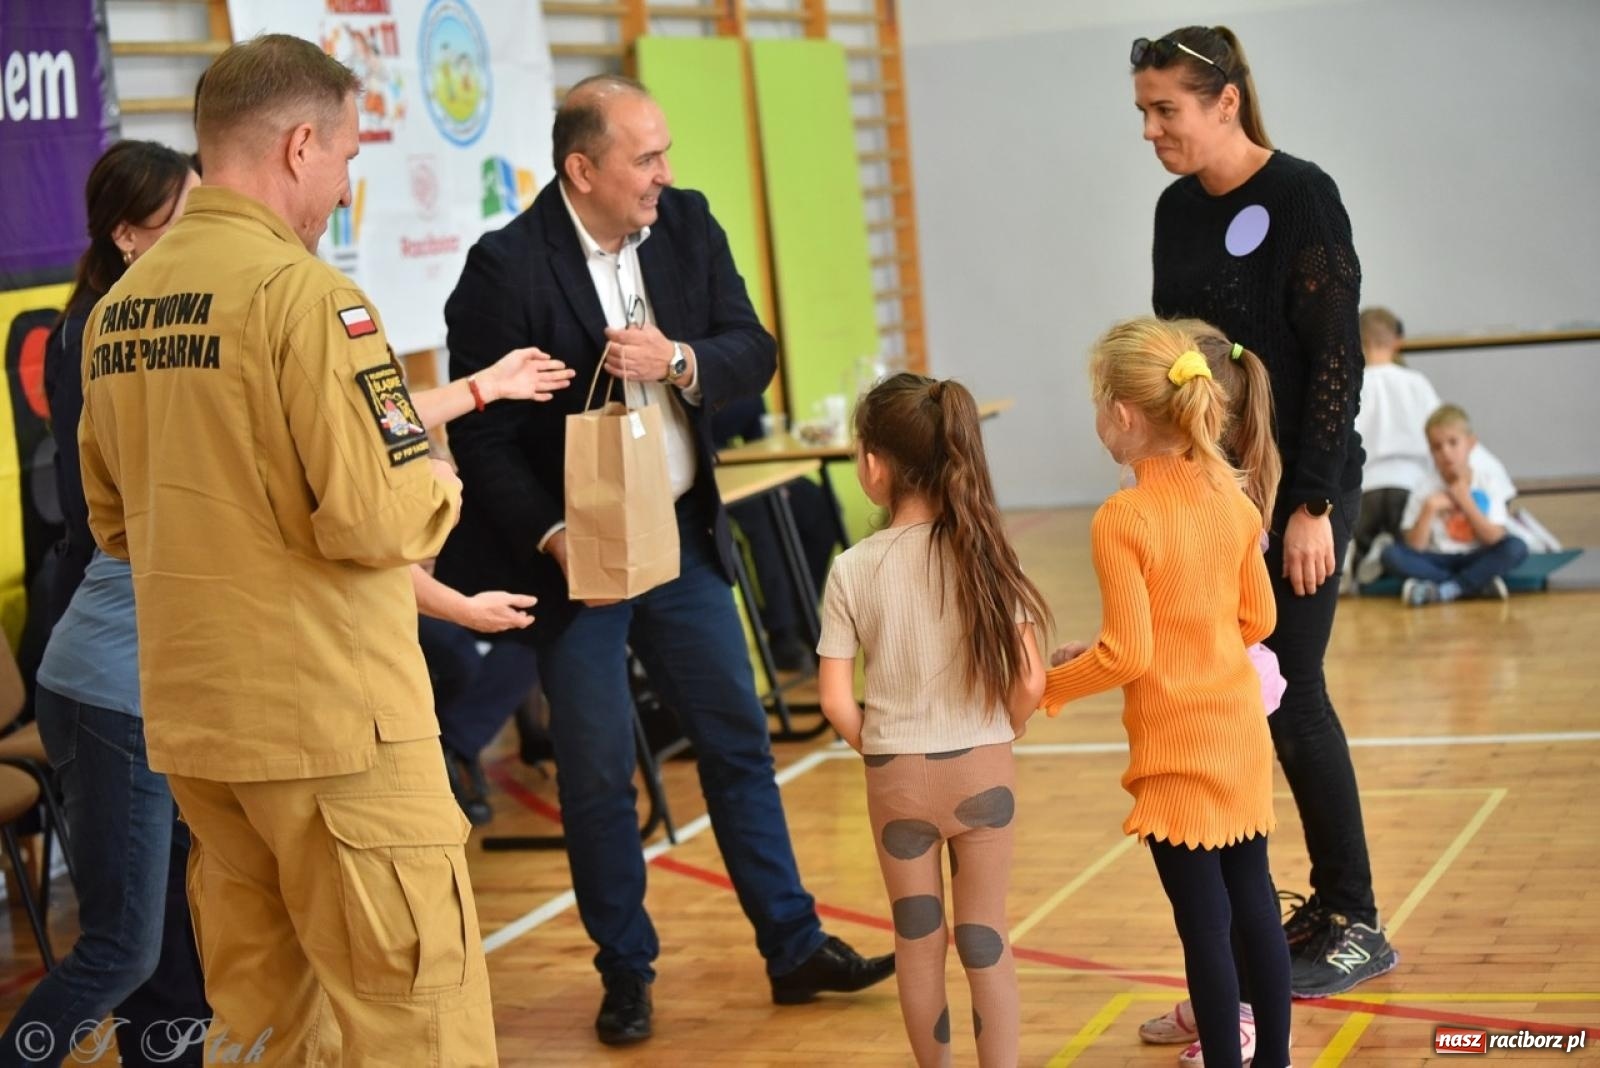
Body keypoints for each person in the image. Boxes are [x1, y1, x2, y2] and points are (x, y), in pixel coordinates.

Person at [435, 73, 893, 1046]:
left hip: (681, 542)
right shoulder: (504, 267)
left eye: (664, 153)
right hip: (574, 564)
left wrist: (679, 360)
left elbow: (750, 349)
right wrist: (553, 539)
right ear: (582, 168)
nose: (663, 174)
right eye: (645, 158)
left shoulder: (684, 224)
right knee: (599, 777)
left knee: (736, 746)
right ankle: (624, 970)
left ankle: (794, 944)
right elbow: (480, 448)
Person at [76, 36, 496, 1065]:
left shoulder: (117, 315)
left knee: (267, 1030)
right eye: (348, 158)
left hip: (202, 734)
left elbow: (115, 523)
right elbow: (378, 518)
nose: (345, 185)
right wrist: (436, 488)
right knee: (415, 1021)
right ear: (302, 145)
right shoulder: (310, 299)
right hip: (335, 731)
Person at [1134, 25, 1397, 1006]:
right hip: (1215, 498)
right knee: (1245, 699)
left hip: (1302, 499)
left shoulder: (1300, 198)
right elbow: (1182, 357)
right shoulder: (1174, 210)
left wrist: (1311, 503)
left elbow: (1334, 362)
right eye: (1143, 112)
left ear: (1225, 104)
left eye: (1167, 109)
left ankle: (1352, 917)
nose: (1152, 130)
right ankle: (1315, 911)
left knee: (1292, 691)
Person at [0, 141, 210, 1068]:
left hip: (147, 666)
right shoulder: (104, 334)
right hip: (111, 670)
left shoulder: (149, 319)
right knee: (127, 948)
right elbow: (120, 513)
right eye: (180, 222)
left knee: (167, 940)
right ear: (126, 236)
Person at [1042, 318, 1291, 1068]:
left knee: (1205, 929)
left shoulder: (1124, 516)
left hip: (1177, 752)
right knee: (1255, 908)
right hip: (1240, 737)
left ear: (1121, 415)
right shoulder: (1235, 500)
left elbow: (1129, 653)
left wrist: (1042, 687)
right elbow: (1260, 617)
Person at [816, 373, 1047, 1067]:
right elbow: (1031, 679)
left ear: (873, 466)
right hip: (984, 770)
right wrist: (1005, 727)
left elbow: (834, 701)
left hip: (897, 780)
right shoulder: (988, 554)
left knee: (918, 941)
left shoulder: (852, 569)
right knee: (985, 938)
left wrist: (882, 749)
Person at [712, 394, 837, 670]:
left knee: (821, 506)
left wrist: (775, 472)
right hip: (707, 475)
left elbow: (759, 430)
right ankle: (782, 632)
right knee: (763, 514)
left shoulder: (741, 369)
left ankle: (804, 612)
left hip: (749, 466)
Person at [1381, 404, 1528, 606]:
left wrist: (1466, 502)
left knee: (1515, 547)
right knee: (1391, 555)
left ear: (1471, 443)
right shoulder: (1424, 488)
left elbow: (1494, 537)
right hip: (1437, 558)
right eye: (1437, 447)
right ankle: (1474, 584)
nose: (1446, 452)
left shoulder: (1488, 482)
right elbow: (1416, 547)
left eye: (1453, 443)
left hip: (1476, 556)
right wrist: (1429, 508)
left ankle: (1443, 589)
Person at [1349, 307, 1440, 583]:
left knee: (1361, 544)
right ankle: (1399, 567)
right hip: (1410, 484)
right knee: (1410, 548)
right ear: (1397, 341)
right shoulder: (1416, 383)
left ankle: (1366, 562)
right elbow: (1438, 427)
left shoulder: (1354, 384)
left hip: (1366, 486)